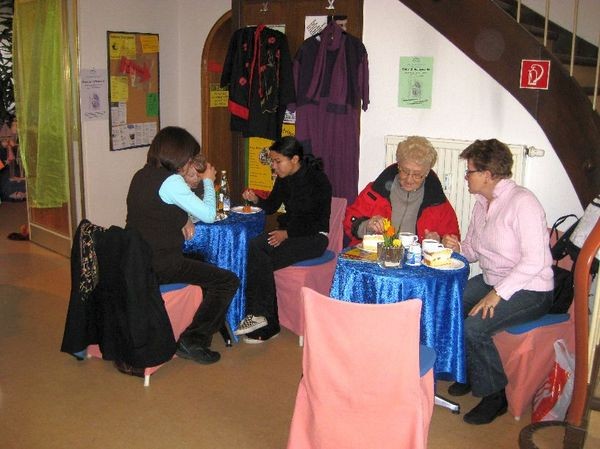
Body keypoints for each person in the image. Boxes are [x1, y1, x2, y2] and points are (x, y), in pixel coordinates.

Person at [442, 139, 553, 425]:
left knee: (474, 327)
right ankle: (468, 372)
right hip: (494, 280)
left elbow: (535, 261)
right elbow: (473, 251)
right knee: (451, 304)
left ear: (488, 174)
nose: (466, 177)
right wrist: (455, 247)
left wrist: (497, 294)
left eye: (470, 172)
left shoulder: (523, 203)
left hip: (531, 289)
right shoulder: (482, 204)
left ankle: (495, 397)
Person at [126, 126, 239, 365]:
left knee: (202, 262)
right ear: (180, 156)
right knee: (227, 281)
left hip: (137, 260)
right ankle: (193, 340)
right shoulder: (172, 181)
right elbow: (209, 215)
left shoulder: (142, 175)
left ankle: (200, 321)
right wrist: (207, 182)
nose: (190, 163)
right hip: (161, 264)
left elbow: (159, 211)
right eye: (189, 158)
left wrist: (184, 218)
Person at [235, 136, 332, 343]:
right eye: (272, 161)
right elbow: (271, 206)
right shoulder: (284, 177)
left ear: (294, 159)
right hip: (291, 232)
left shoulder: (317, 180)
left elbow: (315, 221)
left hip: (314, 238)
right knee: (257, 253)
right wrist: (256, 199)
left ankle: (264, 320)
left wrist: (287, 234)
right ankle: (264, 320)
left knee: (259, 254)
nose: (273, 166)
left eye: (277, 161)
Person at [344, 136, 459, 245]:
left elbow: (452, 239)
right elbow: (349, 221)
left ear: (426, 173)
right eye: (404, 171)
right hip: (375, 255)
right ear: (398, 166)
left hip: (415, 258)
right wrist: (367, 225)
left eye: (417, 175)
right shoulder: (376, 191)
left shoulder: (436, 201)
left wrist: (439, 241)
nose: (409, 179)